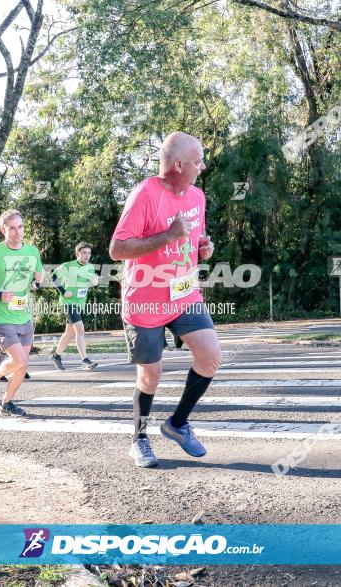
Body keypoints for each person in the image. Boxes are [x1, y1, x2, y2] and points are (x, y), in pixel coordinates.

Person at [109, 131, 220, 468]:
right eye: (198, 161)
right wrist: (168, 235)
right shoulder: (144, 194)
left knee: (211, 356)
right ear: (178, 164)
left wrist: (203, 248)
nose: (202, 167)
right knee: (151, 376)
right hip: (145, 299)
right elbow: (118, 249)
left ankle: (177, 424)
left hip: (184, 293)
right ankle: (139, 439)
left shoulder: (198, 197)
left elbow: (195, 239)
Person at [0, 209, 43, 416]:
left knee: (23, 364)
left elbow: (35, 282)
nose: (17, 232)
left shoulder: (33, 252)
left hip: (24, 315)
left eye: (20, 227)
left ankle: (7, 402)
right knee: (19, 360)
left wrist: (37, 282)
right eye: (12, 228)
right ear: (3, 229)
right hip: (1, 317)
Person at [50, 242, 99, 371]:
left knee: (69, 333)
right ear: (77, 253)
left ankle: (57, 356)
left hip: (80, 304)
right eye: (84, 253)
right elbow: (53, 277)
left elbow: (89, 283)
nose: (87, 255)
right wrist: (63, 291)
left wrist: (94, 283)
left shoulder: (90, 267)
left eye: (89, 253)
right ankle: (85, 361)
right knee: (80, 330)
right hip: (67, 303)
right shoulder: (68, 266)